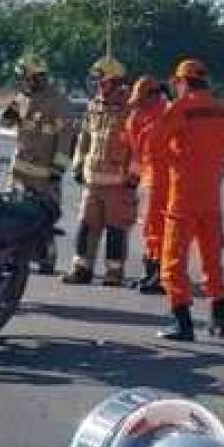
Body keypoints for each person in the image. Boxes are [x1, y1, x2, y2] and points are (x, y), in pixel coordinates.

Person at [155, 58, 224, 342]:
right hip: (211, 202)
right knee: (212, 262)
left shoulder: (181, 108)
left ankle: (183, 325)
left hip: (182, 200)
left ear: (181, 82)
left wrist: (178, 159)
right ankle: (218, 322)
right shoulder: (221, 109)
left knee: (172, 265)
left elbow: (152, 145)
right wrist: (211, 156)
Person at [64, 64, 138, 286]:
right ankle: (81, 268)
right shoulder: (94, 106)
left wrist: (134, 176)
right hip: (92, 180)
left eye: (102, 82)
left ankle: (114, 272)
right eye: (96, 82)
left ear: (116, 83)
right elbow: (84, 139)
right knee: (86, 224)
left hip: (118, 183)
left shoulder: (131, 109)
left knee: (116, 228)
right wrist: (78, 165)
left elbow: (138, 147)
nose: (97, 86)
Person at [0, 52, 73, 272]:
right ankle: (13, 255)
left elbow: (65, 138)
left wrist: (57, 169)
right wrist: (11, 109)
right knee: (12, 212)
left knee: (42, 216)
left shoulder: (57, 101)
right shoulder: (22, 98)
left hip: (43, 172)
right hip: (19, 168)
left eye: (24, 77)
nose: (22, 81)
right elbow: (4, 123)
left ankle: (46, 256)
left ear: (34, 77)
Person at [125, 75, 171, 293]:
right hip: (148, 179)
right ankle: (150, 271)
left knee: (160, 229)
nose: (139, 108)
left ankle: (162, 275)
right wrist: (133, 179)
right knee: (149, 228)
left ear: (155, 97)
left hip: (166, 181)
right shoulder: (138, 118)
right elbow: (136, 153)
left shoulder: (170, 115)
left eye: (143, 103)